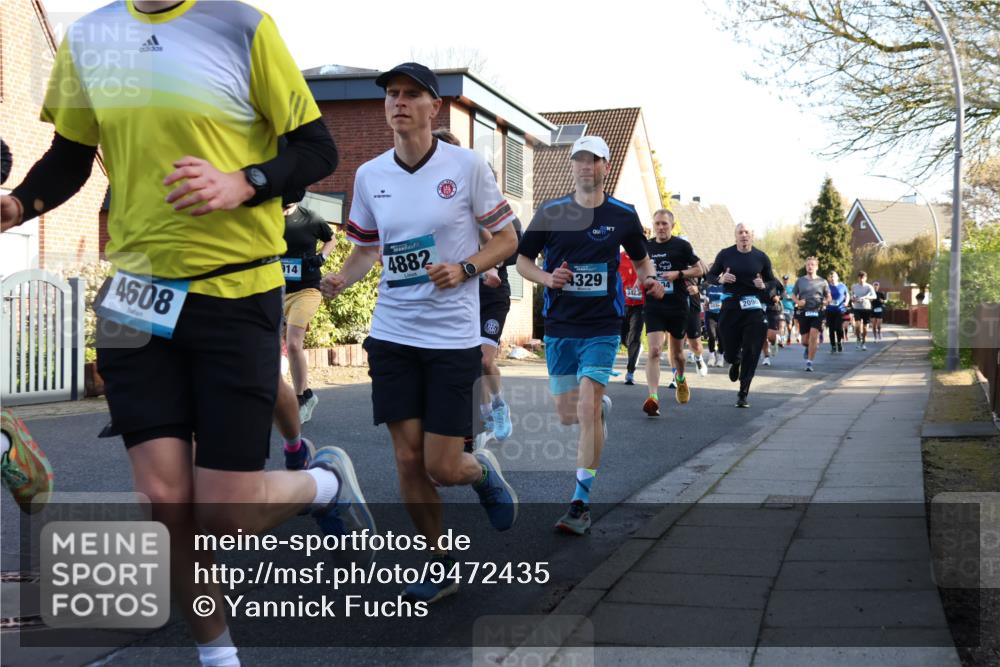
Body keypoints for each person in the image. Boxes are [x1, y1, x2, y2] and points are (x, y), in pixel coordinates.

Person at [1, 4, 375, 665]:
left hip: (235, 289)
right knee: (165, 498)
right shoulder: (90, 38)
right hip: (137, 295)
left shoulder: (241, 27)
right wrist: (19, 203)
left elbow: (317, 149)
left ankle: (325, 483)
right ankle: (218, 654)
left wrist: (246, 181)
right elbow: (70, 156)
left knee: (223, 513)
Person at [321, 63, 519, 603]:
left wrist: (466, 268)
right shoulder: (370, 176)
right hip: (393, 334)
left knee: (442, 464)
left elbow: (506, 239)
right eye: (391, 94)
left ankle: (479, 475)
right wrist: (343, 277)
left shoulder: (467, 165)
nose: (398, 102)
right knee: (407, 461)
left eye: (411, 95)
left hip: (452, 339)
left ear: (435, 107)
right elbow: (366, 250)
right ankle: (440, 560)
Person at [516, 135, 662, 534]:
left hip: (601, 325)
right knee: (569, 415)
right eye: (578, 159)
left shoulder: (623, 214)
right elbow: (522, 261)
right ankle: (596, 410)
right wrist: (547, 278)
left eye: (592, 160)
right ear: (572, 166)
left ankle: (580, 503)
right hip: (561, 326)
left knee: (585, 406)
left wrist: (651, 281)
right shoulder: (551, 211)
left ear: (605, 167)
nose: (585, 166)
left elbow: (642, 260)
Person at [640, 209, 704, 416]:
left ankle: (681, 379)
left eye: (664, 224)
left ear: (672, 225)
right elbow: (639, 269)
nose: (660, 227)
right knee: (655, 351)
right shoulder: (646, 246)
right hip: (654, 305)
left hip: (677, 306)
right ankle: (653, 398)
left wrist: (679, 274)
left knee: (677, 355)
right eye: (657, 223)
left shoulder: (682, 246)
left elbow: (700, 269)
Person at [705, 223, 775, 408]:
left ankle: (743, 393)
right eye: (740, 232)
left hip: (753, 307)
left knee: (752, 351)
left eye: (747, 232)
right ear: (735, 236)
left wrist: (764, 285)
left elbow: (772, 282)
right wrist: (720, 279)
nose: (744, 235)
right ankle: (733, 360)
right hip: (731, 306)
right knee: (728, 347)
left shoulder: (761, 257)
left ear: (752, 236)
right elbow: (709, 276)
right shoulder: (725, 254)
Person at [280, 199, 335, 424]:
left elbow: (331, 239)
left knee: (294, 343)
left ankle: (301, 396)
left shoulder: (311, 218)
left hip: (307, 290)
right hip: (276, 291)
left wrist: (321, 257)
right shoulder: (268, 218)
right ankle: (298, 395)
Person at [795, 259, 832, 371]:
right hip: (804, 311)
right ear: (806, 267)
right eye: (808, 265)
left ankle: (809, 362)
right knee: (805, 341)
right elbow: (793, 295)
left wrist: (827, 301)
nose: (810, 267)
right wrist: (798, 302)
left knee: (814, 335)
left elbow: (829, 296)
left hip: (817, 310)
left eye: (812, 265)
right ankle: (808, 347)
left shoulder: (823, 281)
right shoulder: (800, 281)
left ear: (817, 267)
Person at [618, 249, 646, 385]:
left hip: (640, 304)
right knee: (624, 338)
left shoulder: (644, 257)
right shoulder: (618, 258)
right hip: (623, 303)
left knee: (634, 336)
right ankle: (636, 349)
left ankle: (630, 372)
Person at [761, 274, 785, 366]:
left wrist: (779, 297)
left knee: (771, 336)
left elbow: (782, 290)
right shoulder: (753, 278)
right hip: (759, 308)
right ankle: (766, 357)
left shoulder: (773, 279)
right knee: (762, 333)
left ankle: (773, 342)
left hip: (772, 309)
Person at [851, 271, 877, 350]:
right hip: (857, 308)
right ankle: (858, 338)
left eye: (863, 278)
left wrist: (866, 298)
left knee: (865, 327)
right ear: (858, 278)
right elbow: (852, 295)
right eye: (860, 278)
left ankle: (864, 342)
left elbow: (874, 296)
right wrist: (853, 298)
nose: (861, 279)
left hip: (866, 308)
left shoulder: (869, 287)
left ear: (866, 278)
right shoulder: (854, 286)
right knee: (858, 326)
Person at [825, 270, 849, 353]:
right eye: (831, 277)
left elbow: (847, 295)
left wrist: (846, 302)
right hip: (830, 310)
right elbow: (824, 296)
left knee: (838, 328)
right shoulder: (827, 287)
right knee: (831, 329)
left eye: (834, 276)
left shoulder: (842, 286)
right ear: (829, 278)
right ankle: (833, 346)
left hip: (840, 310)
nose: (832, 278)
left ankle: (839, 342)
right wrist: (825, 302)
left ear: (837, 277)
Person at [705, 280, 726, 366]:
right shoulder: (708, 287)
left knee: (721, 336)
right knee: (712, 335)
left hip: (722, 315)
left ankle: (720, 356)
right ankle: (711, 356)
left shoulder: (725, 287)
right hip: (711, 315)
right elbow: (706, 300)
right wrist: (706, 304)